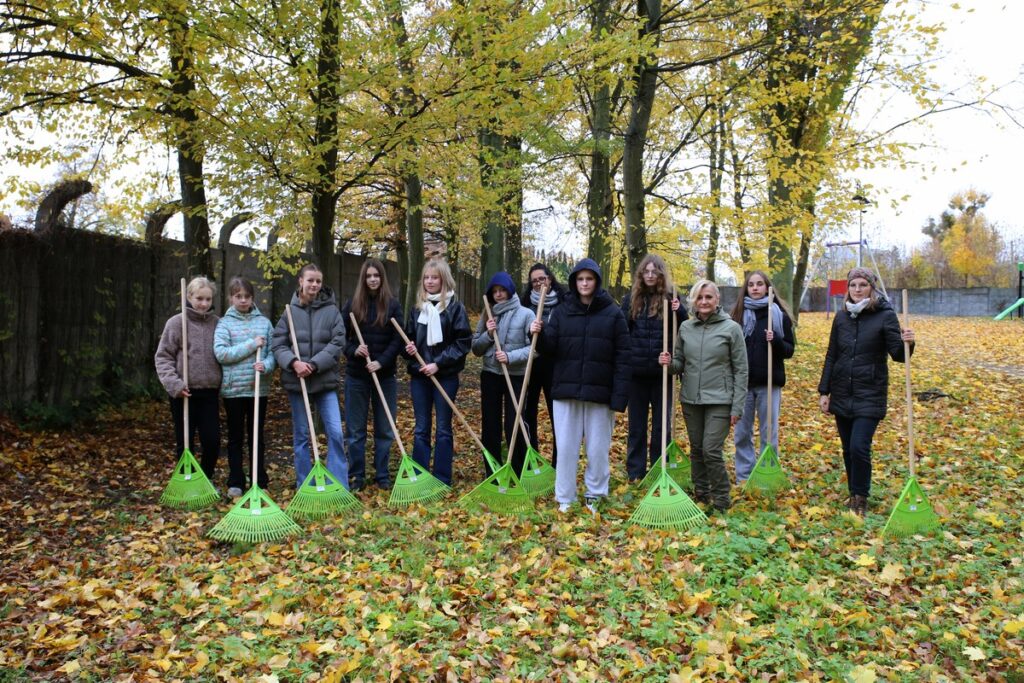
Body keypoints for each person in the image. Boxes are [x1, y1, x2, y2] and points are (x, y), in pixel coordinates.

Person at [818, 267, 914, 517]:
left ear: (871, 287)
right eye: (853, 285)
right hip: (842, 391)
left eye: (862, 285)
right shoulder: (841, 318)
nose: (857, 289)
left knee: (860, 446)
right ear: (848, 289)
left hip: (870, 392)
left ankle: (861, 496)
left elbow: (898, 356)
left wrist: (908, 342)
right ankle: (853, 492)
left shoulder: (885, 315)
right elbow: (832, 354)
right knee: (848, 449)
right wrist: (824, 391)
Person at [539, 258, 630, 514]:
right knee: (566, 447)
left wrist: (619, 396)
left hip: (600, 392)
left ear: (597, 281)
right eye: (580, 279)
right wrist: (538, 334)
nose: (584, 283)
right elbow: (549, 349)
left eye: (589, 279)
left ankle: (595, 493)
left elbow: (624, 355)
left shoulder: (613, 313)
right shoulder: (562, 311)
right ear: (574, 282)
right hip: (566, 391)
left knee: (598, 448)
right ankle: (565, 496)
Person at [661, 279, 747, 513]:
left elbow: (741, 370)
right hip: (691, 399)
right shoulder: (686, 328)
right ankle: (701, 493)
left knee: (710, 449)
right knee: (697, 449)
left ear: (717, 299)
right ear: (693, 301)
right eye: (699, 297)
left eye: (708, 297)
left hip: (720, 399)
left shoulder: (731, 329)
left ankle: (721, 498)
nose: (704, 301)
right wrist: (669, 363)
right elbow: (680, 363)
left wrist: (737, 407)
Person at [271, 263, 349, 489]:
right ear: (301, 281)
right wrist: (294, 363)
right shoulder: (289, 312)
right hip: (298, 383)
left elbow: (337, 343)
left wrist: (313, 364)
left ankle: (337, 483)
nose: (314, 284)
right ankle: (304, 483)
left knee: (335, 431)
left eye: (318, 281)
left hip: (324, 381)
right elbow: (278, 344)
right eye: (310, 280)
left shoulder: (332, 311)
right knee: (302, 434)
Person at [402, 258, 472, 486]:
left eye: (435, 277)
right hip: (420, 377)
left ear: (444, 280)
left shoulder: (454, 308)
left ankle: (442, 478)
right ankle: (420, 477)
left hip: (445, 376)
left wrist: (438, 364)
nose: (430, 281)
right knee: (421, 427)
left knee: (443, 428)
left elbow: (462, 343)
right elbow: (408, 340)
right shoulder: (417, 309)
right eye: (427, 278)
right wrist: (410, 349)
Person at [620, 254, 685, 482]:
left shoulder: (671, 299)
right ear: (641, 274)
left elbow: (684, 329)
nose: (649, 276)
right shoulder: (631, 300)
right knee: (636, 426)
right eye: (646, 272)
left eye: (654, 272)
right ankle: (636, 471)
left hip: (662, 374)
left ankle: (659, 468)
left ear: (660, 275)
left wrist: (680, 311)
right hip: (636, 374)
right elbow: (622, 331)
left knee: (661, 426)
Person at [340, 259, 403, 490]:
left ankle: (382, 474)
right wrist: (353, 350)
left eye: (376, 275)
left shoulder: (393, 305)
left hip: (384, 376)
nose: (373, 279)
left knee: (385, 428)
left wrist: (381, 362)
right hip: (357, 376)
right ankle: (357, 475)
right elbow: (341, 337)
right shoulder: (352, 305)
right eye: (369, 276)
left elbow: (398, 338)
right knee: (356, 430)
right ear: (363, 279)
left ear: (382, 278)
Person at [729, 270, 795, 485]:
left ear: (768, 287)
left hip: (769, 382)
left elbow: (789, 350)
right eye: (751, 285)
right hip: (743, 384)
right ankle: (745, 476)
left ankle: (767, 473)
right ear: (746, 288)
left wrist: (775, 339)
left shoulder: (777, 314)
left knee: (768, 432)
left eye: (759, 284)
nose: (755, 288)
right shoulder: (737, 315)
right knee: (741, 432)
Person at [154, 276, 222, 481]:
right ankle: (188, 481)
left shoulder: (217, 324)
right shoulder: (176, 323)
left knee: (212, 441)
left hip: (209, 392)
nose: (203, 304)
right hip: (184, 392)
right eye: (199, 298)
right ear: (189, 296)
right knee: (185, 443)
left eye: (208, 299)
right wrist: (174, 384)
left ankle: (205, 479)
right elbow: (163, 357)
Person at [214, 277, 276, 497]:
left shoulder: (264, 323)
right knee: (235, 438)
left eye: (246, 296)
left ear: (252, 298)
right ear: (231, 298)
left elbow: (273, 354)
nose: (242, 300)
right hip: (234, 391)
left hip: (258, 390)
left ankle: (259, 481)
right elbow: (221, 354)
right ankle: (236, 482)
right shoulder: (224, 323)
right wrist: (252, 345)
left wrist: (266, 366)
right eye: (238, 296)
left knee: (257, 437)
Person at [472, 271, 535, 476]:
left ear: (510, 290)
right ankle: (493, 471)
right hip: (490, 374)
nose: (498, 295)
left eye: (502, 290)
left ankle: (518, 470)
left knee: (513, 423)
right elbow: (475, 348)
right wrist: (489, 335)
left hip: (515, 375)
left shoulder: (526, 314)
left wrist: (510, 357)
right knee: (490, 424)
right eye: (495, 292)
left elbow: (533, 349)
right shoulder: (488, 313)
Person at [520, 263, 566, 466]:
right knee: (528, 412)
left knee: (557, 414)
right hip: (532, 363)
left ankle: (559, 463)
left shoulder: (563, 302)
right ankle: (533, 460)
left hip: (555, 365)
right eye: (534, 281)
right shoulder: (525, 305)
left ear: (550, 278)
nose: (539, 283)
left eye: (542, 278)